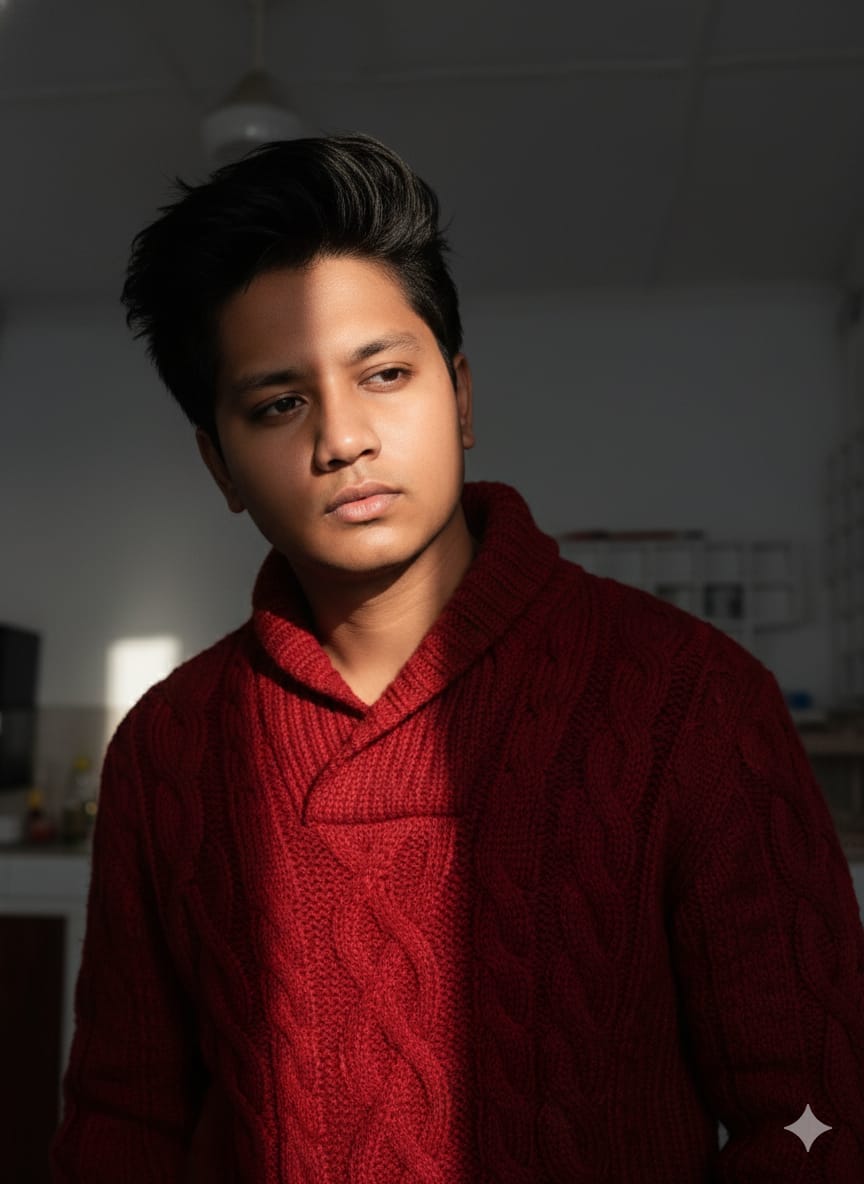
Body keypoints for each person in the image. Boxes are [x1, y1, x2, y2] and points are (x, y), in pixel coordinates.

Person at [51, 134, 864, 1182]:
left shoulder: (692, 698)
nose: (344, 439)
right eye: (279, 403)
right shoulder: (169, 745)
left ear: (463, 397)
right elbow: (123, 1118)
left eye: (385, 374)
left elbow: (813, 1116)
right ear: (222, 467)